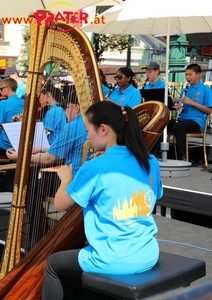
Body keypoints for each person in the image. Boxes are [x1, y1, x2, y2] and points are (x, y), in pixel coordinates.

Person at [41, 101, 163, 300]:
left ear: (103, 129)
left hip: (112, 258)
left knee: (54, 264)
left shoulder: (95, 166)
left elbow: (61, 204)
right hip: (147, 253)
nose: (87, 135)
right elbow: (155, 195)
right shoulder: (149, 160)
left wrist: (66, 179)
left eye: (88, 130)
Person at [6, 96, 87, 177]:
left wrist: (19, 156)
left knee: (29, 185)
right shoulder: (87, 123)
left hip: (73, 175)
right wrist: (38, 148)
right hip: (83, 172)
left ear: (77, 108)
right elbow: (61, 147)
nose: (64, 110)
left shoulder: (71, 126)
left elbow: (49, 158)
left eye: (66, 107)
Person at [167, 63, 212, 160]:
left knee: (180, 127)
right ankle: (157, 153)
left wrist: (192, 103)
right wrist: (178, 107)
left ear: (198, 74)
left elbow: (209, 110)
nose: (187, 77)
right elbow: (183, 104)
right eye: (186, 74)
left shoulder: (206, 90)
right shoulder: (185, 89)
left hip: (197, 120)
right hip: (183, 118)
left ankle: (181, 157)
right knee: (164, 123)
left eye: (190, 74)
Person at [0, 78, 25, 156]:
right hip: (20, 143)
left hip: (5, 145)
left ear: (8, 89)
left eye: (1, 89)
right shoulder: (24, 102)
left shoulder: (3, 103)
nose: (0, 91)